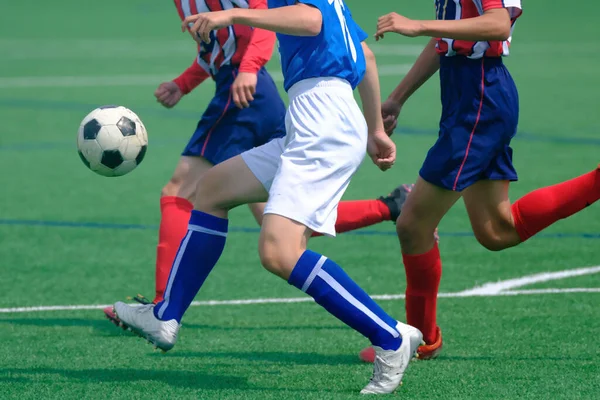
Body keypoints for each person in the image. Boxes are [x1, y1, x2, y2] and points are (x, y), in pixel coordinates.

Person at [112, 0, 423, 394]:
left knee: (279, 252)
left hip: (322, 123)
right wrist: (374, 128)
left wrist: (231, 15)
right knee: (211, 189)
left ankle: (391, 338)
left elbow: (310, 21)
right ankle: (165, 315)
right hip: (316, 119)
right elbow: (366, 55)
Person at [359, 0, 600, 362]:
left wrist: (417, 25)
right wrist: (397, 97)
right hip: (470, 98)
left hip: (480, 100)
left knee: (412, 225)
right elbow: (447, 36)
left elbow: (498, 25)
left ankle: (420, 340)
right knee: (496, 231)